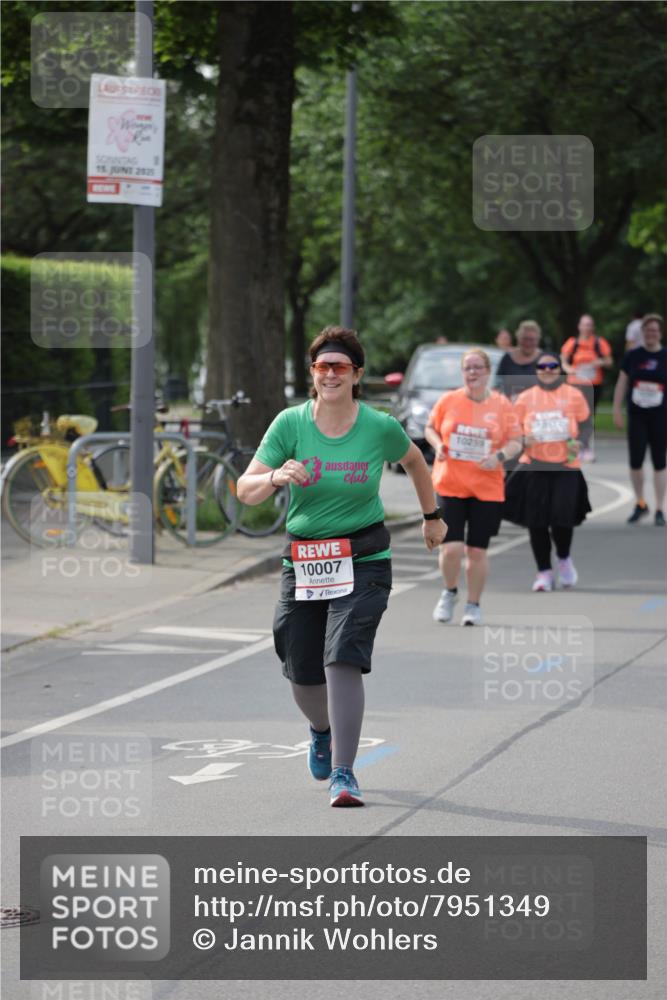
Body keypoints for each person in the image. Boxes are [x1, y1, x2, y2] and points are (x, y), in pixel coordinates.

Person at [237, 326, 446, 808]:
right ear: (313, 375)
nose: (330, 374)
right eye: (322, 367)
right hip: (305, 559)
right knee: (301, 668)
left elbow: (416, 462)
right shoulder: (290, 424)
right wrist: (274, 475)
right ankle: (321, 731)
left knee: (342, 657)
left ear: (357, 376)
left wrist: (431, 516)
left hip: (364, 557)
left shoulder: (378, 426)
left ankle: (345, 774)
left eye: (340, 367)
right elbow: (245, 491)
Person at [424, 348, 522, 626]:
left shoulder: (502, 405)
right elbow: (430, 428)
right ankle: (450, 591)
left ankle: (473, 604)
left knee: (476, 551)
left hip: (487, 487)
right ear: (462, 373)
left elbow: (517, 441)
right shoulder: (448, 400)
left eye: (478, 367)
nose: (472, 373)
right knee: (451, 549)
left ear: (488, 372)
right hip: (451, 482)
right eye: (468, 368)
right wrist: (438, 444)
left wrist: (498, 457)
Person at [504, 351, 591, 591]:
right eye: (543, 366)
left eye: (553, 365)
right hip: (535, 465)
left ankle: (563, 559)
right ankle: (544, 572)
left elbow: (585, 425)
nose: (548, 370)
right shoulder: (524, 399)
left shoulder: (573, 395)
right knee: (537, 522)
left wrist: (580, 443)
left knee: (563, 518)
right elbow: (513, 432)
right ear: (536, 370)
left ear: (559, 369)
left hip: (566, 465)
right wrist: (524, 439)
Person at [612, 314, 667, 526]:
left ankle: (660, 507)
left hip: (660, 415)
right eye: (647, 331)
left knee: (659, 461)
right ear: (642, 333)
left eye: (654, 330)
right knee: (636, 461)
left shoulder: (665, 356)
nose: (651, 334)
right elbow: (621, 383)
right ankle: (640, 502)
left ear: (660, 333)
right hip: (637, 415)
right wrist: (616, 409)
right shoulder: (633, 356)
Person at [560, 314, 613, 462]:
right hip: (575, 384)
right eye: (584, 324)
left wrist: (600, 362)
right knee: (573, 416)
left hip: (593, 385)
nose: (587, 327)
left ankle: (586, 447)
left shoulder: (599, 343)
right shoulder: (573, 343)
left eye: (589, 324)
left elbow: (609, 361)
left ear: (593, 327)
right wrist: (569, 369)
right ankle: (573, 448)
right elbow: (563, 360)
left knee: (588, 417)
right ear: (579, 326)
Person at [496, 320, 542, 401]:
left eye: (531, 339)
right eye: (525, 339)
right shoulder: (507, 358)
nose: (528, 343)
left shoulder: (544, 359)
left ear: (537, 340)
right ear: (518, 338)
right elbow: (497, 385)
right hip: (509, 407)